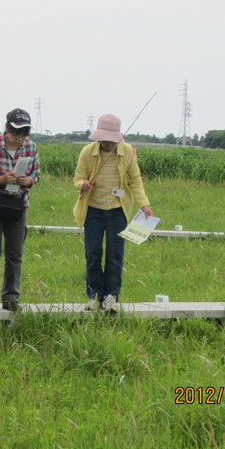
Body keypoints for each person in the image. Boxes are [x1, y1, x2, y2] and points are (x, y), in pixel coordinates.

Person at [73, 114, 153, 313]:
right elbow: (78, 177)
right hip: (93, 210)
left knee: (115, 254)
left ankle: (111, 297)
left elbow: (135, 180)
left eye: (111, 139)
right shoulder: (87, 152)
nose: (108, 143)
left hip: (118, 211)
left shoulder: (127, 152)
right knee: (93, 254)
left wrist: (144, 205)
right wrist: (82, 184)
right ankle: (94, 296)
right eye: (104, 139)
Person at [0, 108, 40, 312]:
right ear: (7, 128)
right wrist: (1, 180)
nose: (19, 139)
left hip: (17, 205)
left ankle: (11, 298)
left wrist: (27, 181)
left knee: (15, 254)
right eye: (16, 133)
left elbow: (36, 176)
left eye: (23, 134)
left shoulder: (31, 147)